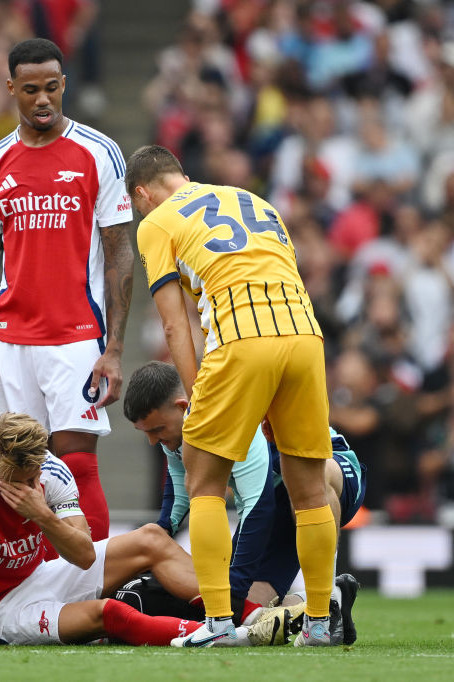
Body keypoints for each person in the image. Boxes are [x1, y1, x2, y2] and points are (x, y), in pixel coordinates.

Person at [128, 144, 338, 647]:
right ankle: (320, 623)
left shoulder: (156, 222)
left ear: (141, 193)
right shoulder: (254, 200)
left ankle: (218, 622)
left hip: (241, 335)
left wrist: (198, 391)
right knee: (309, 491)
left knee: (203, 481)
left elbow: (175, 325)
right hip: (305, 336)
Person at [0, 412, 289, 647]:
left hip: (38, 576)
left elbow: (84, 554)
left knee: (152, 539)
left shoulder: (51, 473)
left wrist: (43, 516)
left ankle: (256, 616)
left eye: (28, 475)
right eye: (11, 477)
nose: (21, 484)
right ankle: (233, 634)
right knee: (109, 612)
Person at [0, 38, 135, 541]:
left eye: (50, 88)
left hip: (75, 336)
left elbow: (120, 253)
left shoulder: (98, 153)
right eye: (30, 90)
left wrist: (114, 347)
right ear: (10, 90)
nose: (42, 99)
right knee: (16, 470)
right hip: (13, 340)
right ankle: (30, 590)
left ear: (64, 84)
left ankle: (101, 587)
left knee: (77, 464)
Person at [123, 361, 364, 644]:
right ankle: (332, 597)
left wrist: (233, 587)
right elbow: (178, 494)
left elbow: (257, 509)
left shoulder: (226, 416)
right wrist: (156, 538)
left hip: (333, 468)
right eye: (147, 433)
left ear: (181, 406)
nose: (153, 441)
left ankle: (324, 609)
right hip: (275, 498)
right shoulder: (181, 431)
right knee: (252, 609)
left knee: (310, 479)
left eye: (157, 429)